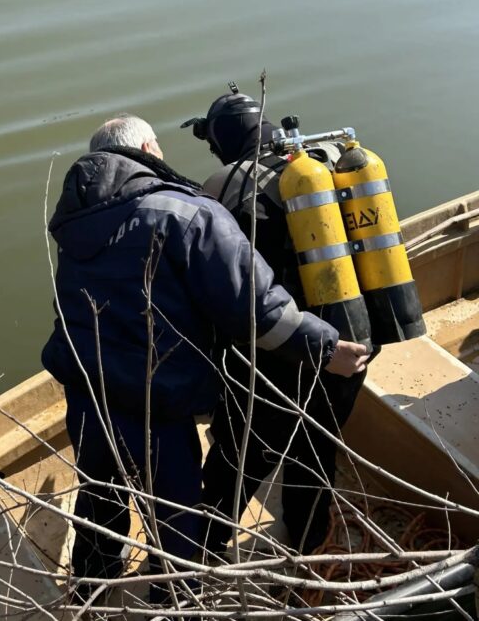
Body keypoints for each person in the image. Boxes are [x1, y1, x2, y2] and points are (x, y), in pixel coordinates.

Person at [40, 114, 368, 604]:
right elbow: (257, 309)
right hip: (158, 404)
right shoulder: (186, 214)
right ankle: (174, 606)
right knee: (176, 523)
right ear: (149, 148)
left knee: (100, 498)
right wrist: (325, 348)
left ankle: (91, 592)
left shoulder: (73, 219)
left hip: (87, 393)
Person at [185, 89, 372, 555]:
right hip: (352, 346)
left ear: (223, 142)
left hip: (278, 355)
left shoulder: (221, 187)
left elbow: (220, 292)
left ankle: (199, 552)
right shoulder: (325, 160)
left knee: (237, 460)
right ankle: (308, 540)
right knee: (315, 450)